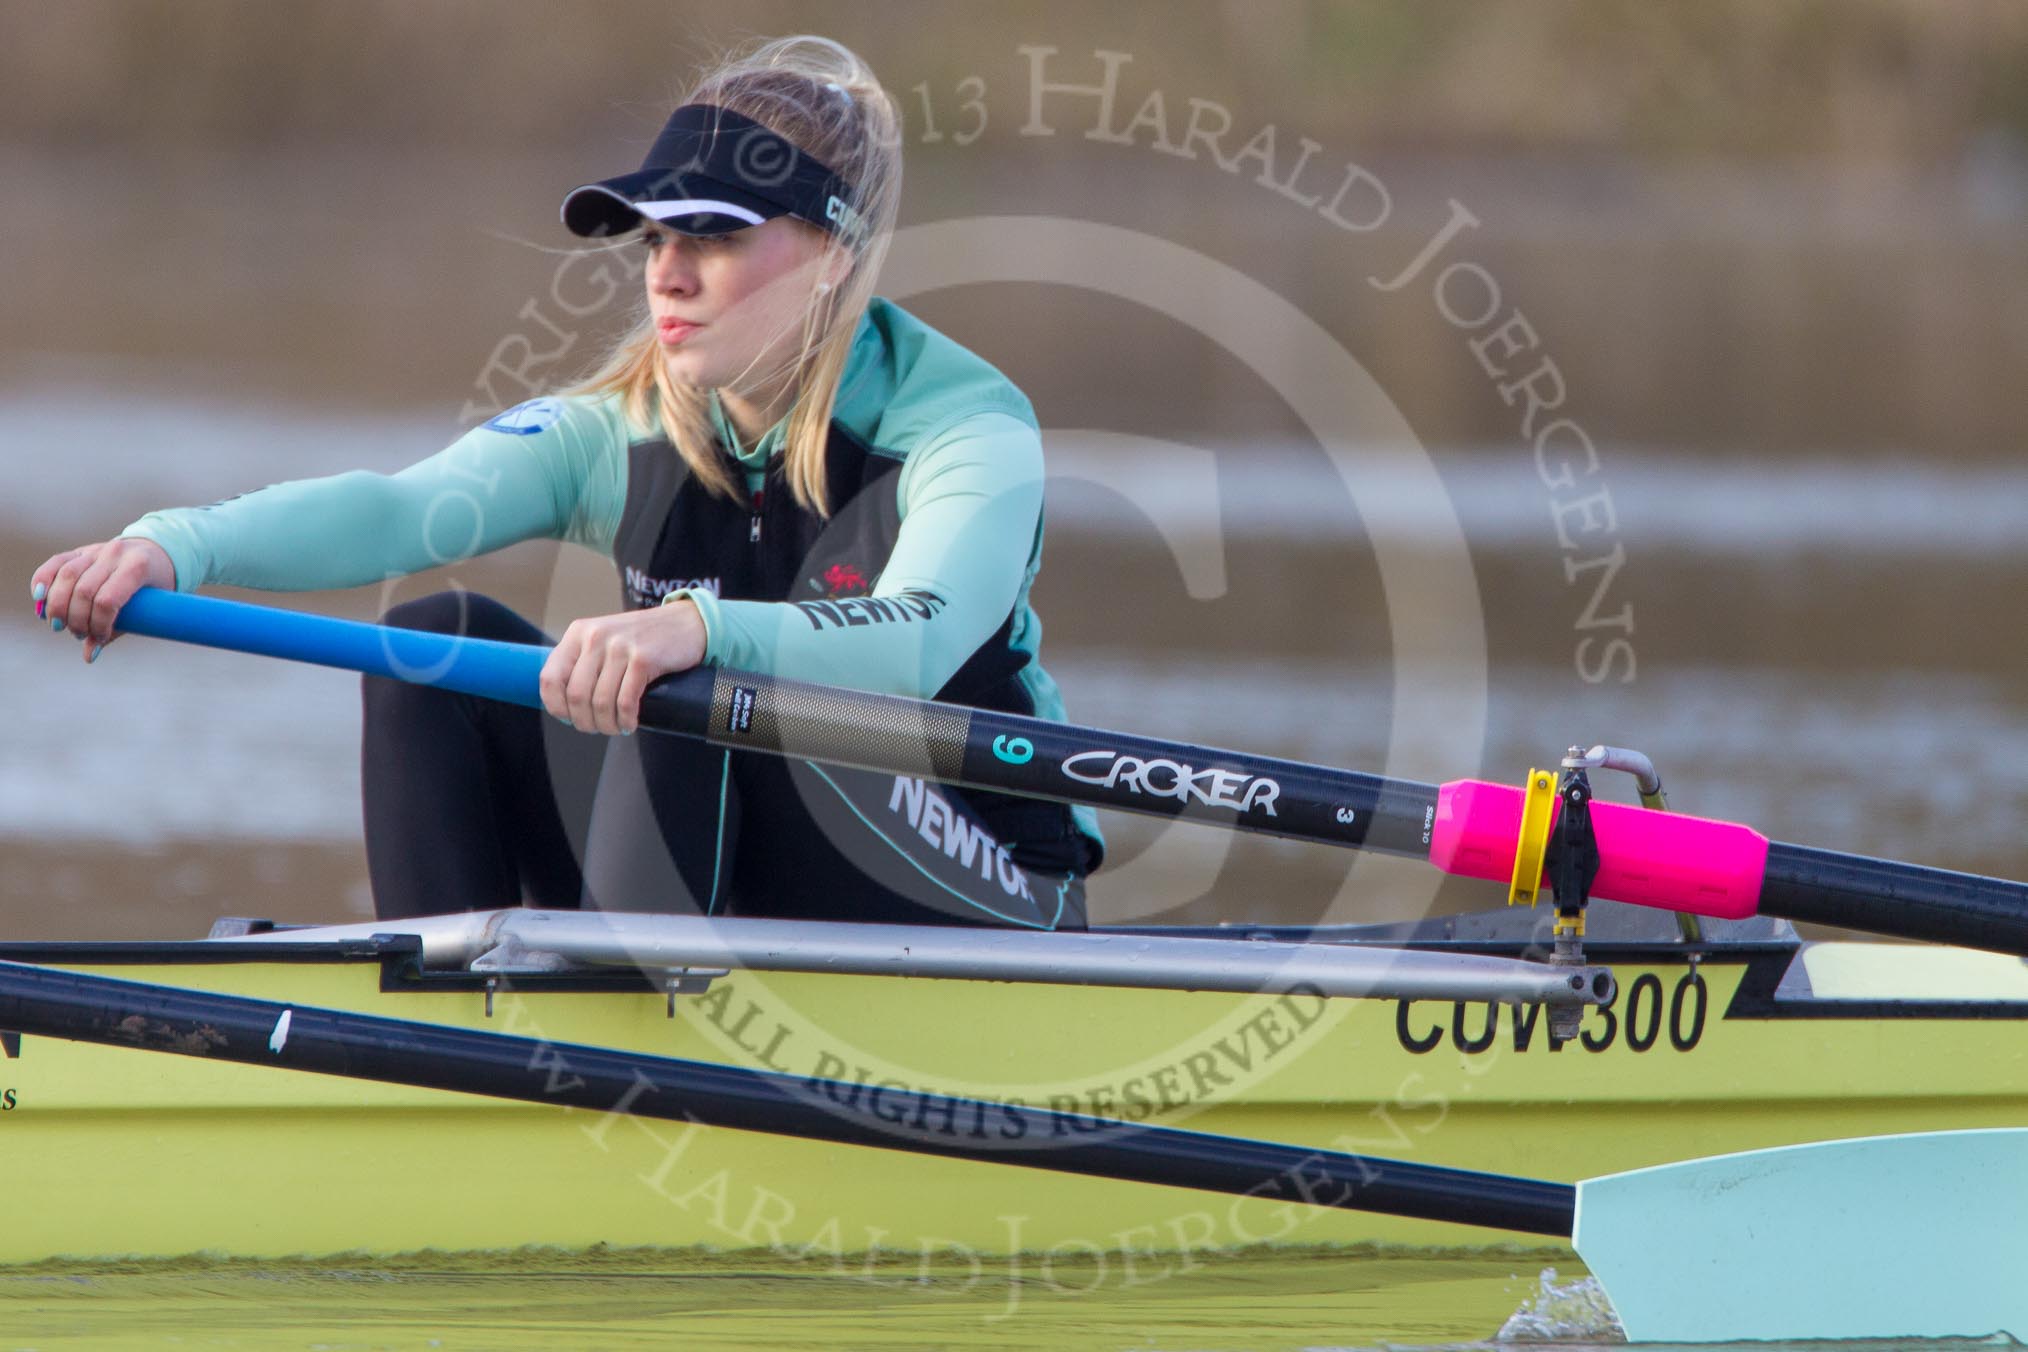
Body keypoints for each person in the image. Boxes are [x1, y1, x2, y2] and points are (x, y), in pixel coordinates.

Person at [29, 36, 1102, 929]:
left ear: (832, 253)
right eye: (656, 237)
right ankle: (453, 1042)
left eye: (714, 236)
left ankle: (621, 1034)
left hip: (988, 875)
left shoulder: (963, 424)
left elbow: (908, 646)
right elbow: (402, 513)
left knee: (695, 687)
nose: (667, 274)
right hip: (727, 876)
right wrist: (173, 545)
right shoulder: (623, 430)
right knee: (434, 647)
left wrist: (695, 627)